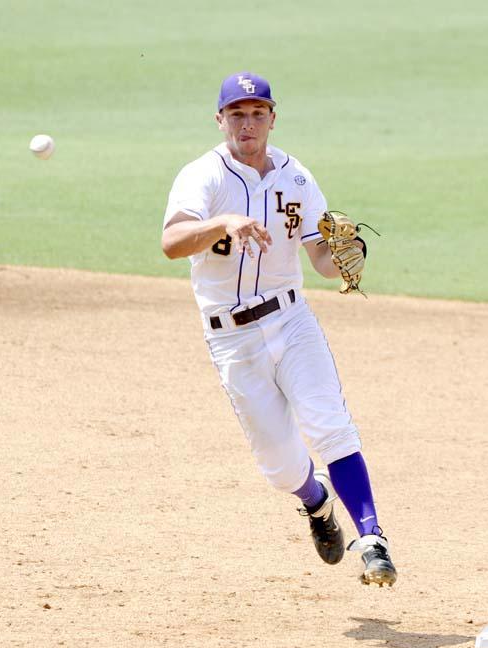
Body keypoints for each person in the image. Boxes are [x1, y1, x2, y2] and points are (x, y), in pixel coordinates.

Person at [161, 72, 397, 586]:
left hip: (292, 320)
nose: (248, 123)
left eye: (258, 113)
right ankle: (315, 503)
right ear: (220, 119)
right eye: (237, 114)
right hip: (232, 336)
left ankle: (373, 539)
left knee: (329, 423)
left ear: (273, 117)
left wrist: (348, 254)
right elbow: (173, 240)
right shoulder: (203, 176)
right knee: (280, 466)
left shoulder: (297, 177)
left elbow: (323, 262)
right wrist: (222, 223)